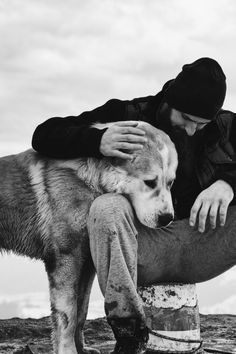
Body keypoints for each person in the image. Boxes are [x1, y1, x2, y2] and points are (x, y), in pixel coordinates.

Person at [32, 58, 236, 354]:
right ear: (169, 101)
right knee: (106, 207)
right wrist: (97, 139)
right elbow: (44, 134)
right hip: (142, 246)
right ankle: (129, 335)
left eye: (201, 124)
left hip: (202, 241)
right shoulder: (127, 116)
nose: (192, 130)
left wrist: (229, 183)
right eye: (186, 118)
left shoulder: (227, 126)